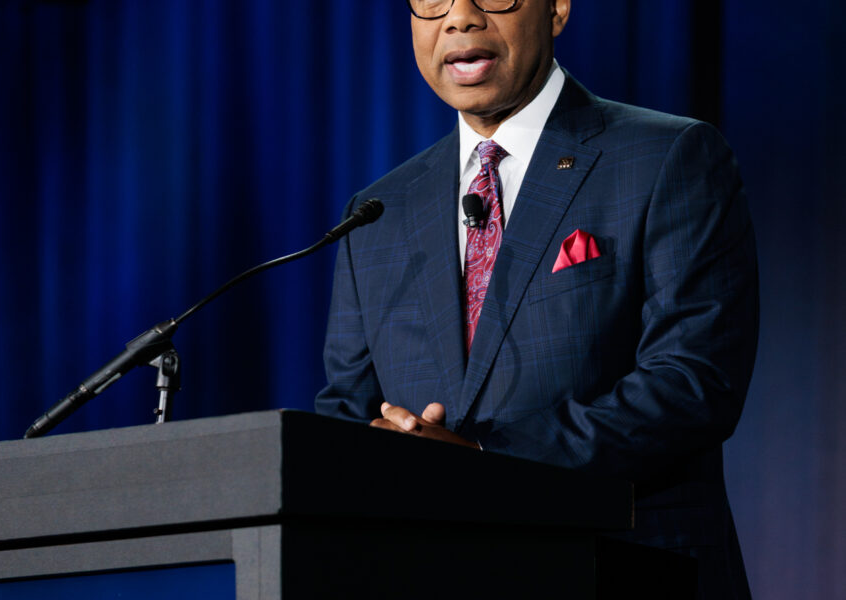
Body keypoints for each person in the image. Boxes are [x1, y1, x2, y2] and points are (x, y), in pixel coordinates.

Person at [315, 1, 758, 598]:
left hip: (622, 569)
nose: (459, 18)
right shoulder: (379, 211)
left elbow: (693, 384)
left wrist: (484, 459)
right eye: (432, 1)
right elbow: (346, 415)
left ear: (557, 9)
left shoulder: (666, 156)